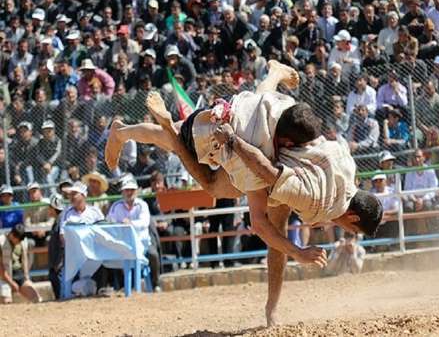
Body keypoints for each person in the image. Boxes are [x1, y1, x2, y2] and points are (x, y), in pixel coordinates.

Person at [105, 60, 383, 325]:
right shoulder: (310, 194)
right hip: (256, 154)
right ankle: (123, 131)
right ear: (354, 219)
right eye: (353, 230)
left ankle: (273, 73)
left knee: (263, 110)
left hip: (275, 120)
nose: (347, 232)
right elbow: (260, 214)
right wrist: (298, 252)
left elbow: (267, 115)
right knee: (205, 176)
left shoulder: (347, 167)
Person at [107, 178, 162, 292]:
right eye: (126, 190)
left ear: (136, 191)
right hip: (123, 242)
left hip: (142, 241)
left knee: (153, 255)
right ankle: (119, 286)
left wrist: (130, 223)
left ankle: (156, 284)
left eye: (132, 190)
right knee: (109, 255)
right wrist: (120, 225)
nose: (129, 192)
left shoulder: (142, 205)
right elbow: (110, 221)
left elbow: (145, 222)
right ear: (122, 192)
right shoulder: (115, 206)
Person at [0, 224, 41, 303]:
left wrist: (26, 277)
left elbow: (24, 259)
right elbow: (0, 267)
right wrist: (11, 283)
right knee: (7, 302)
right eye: (18, 239)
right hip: (3, 277)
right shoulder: (1, 242)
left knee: (37, 299)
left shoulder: (22, 241)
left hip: (19, 274)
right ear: (12, 235)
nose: (19, 242)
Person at [47, 193, 65, 299]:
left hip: (58, 262)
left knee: (59, 287)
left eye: (50, 207)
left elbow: (62, 244)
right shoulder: (58, 220)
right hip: (55, 261)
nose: (48, 209)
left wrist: (59, 262)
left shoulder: (60, 221)